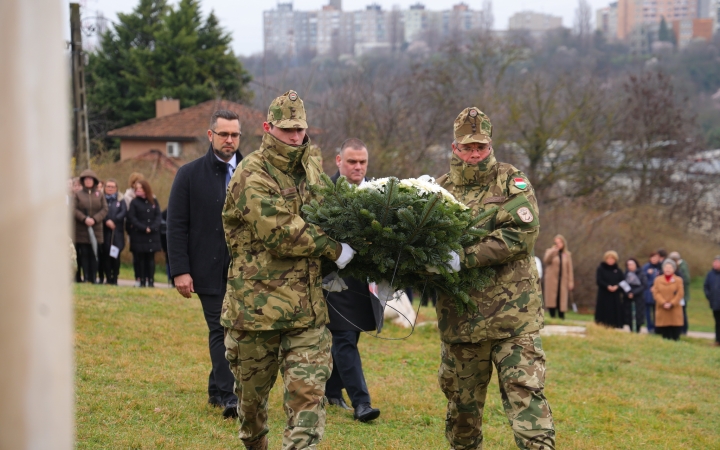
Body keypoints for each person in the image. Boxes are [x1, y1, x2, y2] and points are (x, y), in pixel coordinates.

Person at [221, 90, 356, 450]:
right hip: (255, 313)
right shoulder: (251, 173)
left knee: (309, 400)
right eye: (287, 129)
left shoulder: (310, 168)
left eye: (300, 129)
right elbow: (279, 233)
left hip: (307, 314)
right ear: (268, 127)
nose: (295, 137)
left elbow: (333, 211)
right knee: (251, 407)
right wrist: (334, 249)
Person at [433, 107, 555, 449]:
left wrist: (464, 256)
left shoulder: (511, 181)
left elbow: (522, 235)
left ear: (490, 145)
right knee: (462, 414)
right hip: (462, 322)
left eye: (482, 147)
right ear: (455, 147)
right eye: (468, 147)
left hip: (514, 319)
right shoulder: (438, 190)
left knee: (527, 401)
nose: (475, 154)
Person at [167, 109, 244, 419]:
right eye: (223, 134)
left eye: (235, 135)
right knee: (221, 328)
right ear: (211, 135)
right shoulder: (189, 174)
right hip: (206, 268)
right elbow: (175, 226)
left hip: (245, 270)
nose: (229, 140)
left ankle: (215, 388)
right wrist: (180, 270)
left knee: (238, 329)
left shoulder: (253, 171)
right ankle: (230, 397)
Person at [324, 138, 384, 422]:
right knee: (344, 337)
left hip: (364, 283)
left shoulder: (378, 192)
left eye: (362, 162)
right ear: (339, 161)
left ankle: (331, 391)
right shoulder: (325, 193)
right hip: (334, 281)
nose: (357, 167)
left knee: (350, 337)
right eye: (351, 162)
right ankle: (362, 403)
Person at [73, 169, 108, 284]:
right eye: (86, 179)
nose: (88, 181)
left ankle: (93, 277)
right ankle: (86, 277)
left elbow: (105, 209)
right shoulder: (78, 195)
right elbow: (73, 209)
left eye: (90, 179)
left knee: (95, 253)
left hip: (96, 229)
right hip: (82, 229)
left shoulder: (100, 195)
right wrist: (84, 219)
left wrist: (95, 219)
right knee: (84, 254)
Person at [127, 179, 161, 287]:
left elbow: (158, 216)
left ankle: (151, 281)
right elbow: (132, 218)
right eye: (137, 188)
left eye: (141, 188)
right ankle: (141, 281)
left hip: (152, 235)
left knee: (150, 259)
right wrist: (143, 228)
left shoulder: (153, 201)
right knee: (141, 259)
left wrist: (152, 227)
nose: (139, 190)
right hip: (139, 235)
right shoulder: (134, 202)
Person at [98, 179, 126, 285]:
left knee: (115, 256)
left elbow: (123, 212)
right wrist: (107, 221)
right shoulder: (101, 199)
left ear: (116, 188)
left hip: (117, 233)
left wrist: (114, 221)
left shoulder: (121, 200)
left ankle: (115, 277)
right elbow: (100, 211)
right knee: (105, 256)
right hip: (105, 232)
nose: (110, 188)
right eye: (108, 186)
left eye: (112, 187)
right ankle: (108, 277)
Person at [652, 259, 684, 341]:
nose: (668, 269)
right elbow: (656, 292)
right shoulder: (658, 280)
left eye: (670, 267)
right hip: (662, 309)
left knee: (675, 334)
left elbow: (680, 293)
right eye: (666, 267)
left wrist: (672, 303)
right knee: (665, 334)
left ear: (674, 269)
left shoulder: (678, 280)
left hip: (674, 309)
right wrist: (663, 303)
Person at [542, 234, 574, 320]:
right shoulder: (549, 251)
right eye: (556, 242)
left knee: (562, 299)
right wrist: (553, 252)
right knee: (552, 299)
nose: (558, 244)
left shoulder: (567, 255)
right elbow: (546, 261)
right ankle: (552, 316)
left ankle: (561, 317)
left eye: (560, 242)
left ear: (563, 243)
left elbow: (569, 269)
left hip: (563, 280)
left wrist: (570, 282)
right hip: (551, 280)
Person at [594, 251, 624, 328]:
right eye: (609, 259)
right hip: (604, 293)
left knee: (614, 312)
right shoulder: (601, 269)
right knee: (603, 311)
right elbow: (599, 280)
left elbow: (623, 281)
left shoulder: (618, 270)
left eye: (612, 259)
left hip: (615, 295)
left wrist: (617, 286)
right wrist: (607, 286)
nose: (610, 260)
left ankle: (614, 325)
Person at [669, 251, 691, 334]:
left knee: (682, 312)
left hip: (682, 295)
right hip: (677, 294)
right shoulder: (680, 266)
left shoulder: (682, 267)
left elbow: (686, 280)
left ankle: (683, 330)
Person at [623, 258, 647, 333]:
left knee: (638, 315)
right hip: (628, 298)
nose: (630, 266)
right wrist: (628, 293)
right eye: (628, 265)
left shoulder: (641, 274)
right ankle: (631, 329)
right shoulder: (625, 274)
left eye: (632, 264)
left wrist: (634, 293)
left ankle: (637, 329)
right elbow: (623, 284)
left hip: (638, 297)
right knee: (629, 314)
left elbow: (644, 285)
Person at [641, 252, 662, 333]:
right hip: (648, 292)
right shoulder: (646, 267)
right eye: (652, 257)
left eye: (656, 258)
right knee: (647, 312)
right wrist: (647, 273)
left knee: (657, 311)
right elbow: (642, 278)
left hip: (658, 292)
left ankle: (657, 327)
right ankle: (649, 327)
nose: (654, 259)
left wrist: (656, 286)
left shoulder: (661, 267)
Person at [703, 256, 720, 346]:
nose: (715, 264)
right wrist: (709, 296)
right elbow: (706, 286)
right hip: (715, 303)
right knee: (717, 322)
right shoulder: (710, 274)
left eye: (717, 262)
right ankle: (718, 341)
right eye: (714, 262)